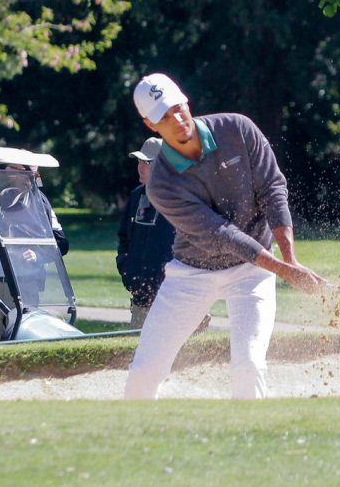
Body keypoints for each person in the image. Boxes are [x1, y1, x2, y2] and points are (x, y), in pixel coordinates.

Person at [124, 72, 326, 400]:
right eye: (163, 115)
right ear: (151, 124)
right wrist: (286, 272)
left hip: (251, 272)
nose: (176, 118)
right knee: (145, 371)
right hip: (191, 273)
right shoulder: (160, 184)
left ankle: (249, 445)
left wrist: (291, 260)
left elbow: (272, 189)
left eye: (177, 107)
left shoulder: (236, 128)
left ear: (185, 101)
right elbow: (221, 234)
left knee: (248, 365)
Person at [0, 166, 69, 344]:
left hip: (26, 286)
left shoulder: (39, 202)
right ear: (9, 170)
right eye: (26, 174)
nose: (30, 179)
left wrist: (38, 253)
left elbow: (61, 243)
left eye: (34, 174)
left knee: (22, 348)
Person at [116, 137, 212, 332]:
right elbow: (124, 238)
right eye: (139, 162)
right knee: (141, 357)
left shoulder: (185, 197)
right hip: (142, 299)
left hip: (179, 298)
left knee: (186, 358)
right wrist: (127, 269)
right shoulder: (136, 196)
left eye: (147, 162)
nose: (140, 167)